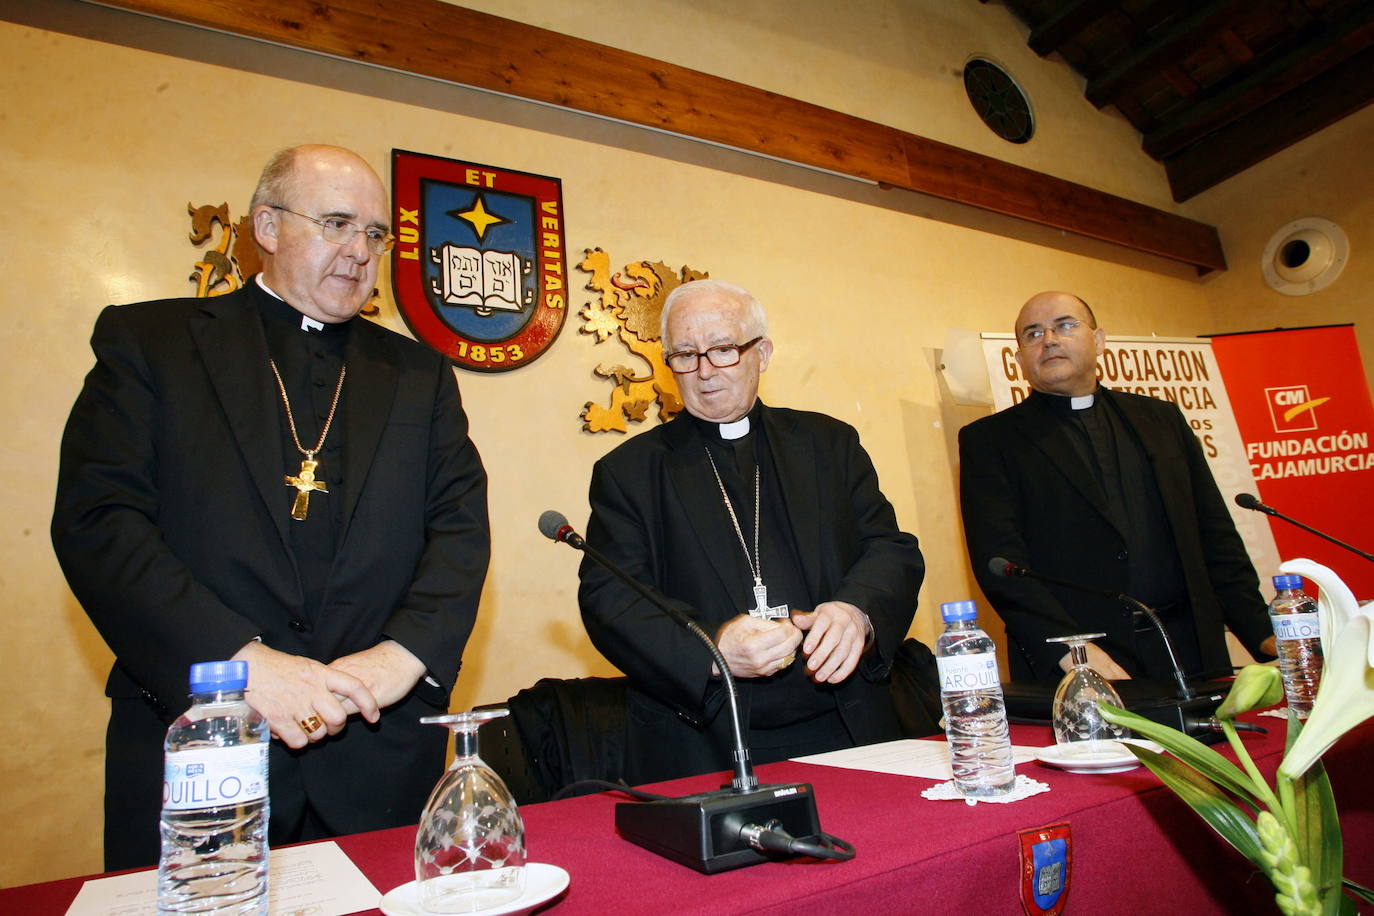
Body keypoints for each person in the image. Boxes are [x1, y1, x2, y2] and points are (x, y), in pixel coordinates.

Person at [52, 145, 490, 869]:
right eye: (337, 223)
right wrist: (239, 663)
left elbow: (459, 530)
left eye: (376, 234)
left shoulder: (419, 374)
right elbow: (101, 523)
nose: (359, 251)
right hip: (203, 737)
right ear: (267, 225)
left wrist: (404, 655)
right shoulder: (153, 345)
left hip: (377, 747)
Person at [578, 279, 924, 781]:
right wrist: (711, 651)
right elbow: (611, 598)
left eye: (722, 350)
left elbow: (890, 549)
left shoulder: (828, 444)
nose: (703, 372)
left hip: (845, 726)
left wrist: (857, 611)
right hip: (706, 741)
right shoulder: (629, 471)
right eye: (685, 355)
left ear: (762, 353)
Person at [958, 290, 1275, 682]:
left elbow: (1214, 536)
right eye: (1033, 334)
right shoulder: (991, 441)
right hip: (1083, 662)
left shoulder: (1161, 421)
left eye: (1065, 325)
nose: (1050, 339)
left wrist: (1263, 632)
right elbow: (1000, 566)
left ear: (1099, 340)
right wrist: (1066, 646)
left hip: (1189, 650)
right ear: (1020, 358)